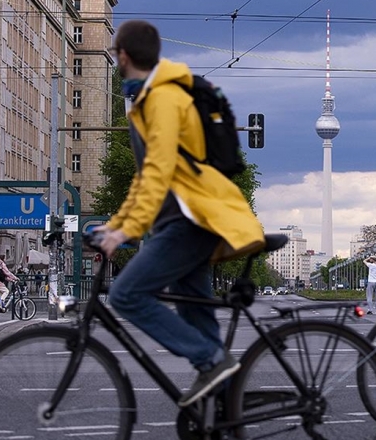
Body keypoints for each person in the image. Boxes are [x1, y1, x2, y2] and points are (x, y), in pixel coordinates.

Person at [97, 20, 265, 408]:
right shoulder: (146, 98)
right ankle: (225, 410)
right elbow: (145, 179)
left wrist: (125, 233)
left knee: (125, 294)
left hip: (192, 220)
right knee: (194, 312)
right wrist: (117, 225)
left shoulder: (163, 98)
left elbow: (159, 169)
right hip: (180, 219)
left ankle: (209, 360)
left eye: (113, 54)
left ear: (123, 55)